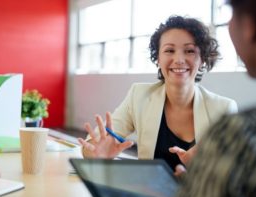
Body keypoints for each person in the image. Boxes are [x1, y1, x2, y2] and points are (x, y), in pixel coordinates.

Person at [78, 16, 238, 171]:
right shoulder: (139, 95)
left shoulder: (224, 108)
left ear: (202, 58)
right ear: (158, 58)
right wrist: (94, 154)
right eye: (169, 50)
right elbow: (93, 145)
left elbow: (234, 174)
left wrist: (201, 171)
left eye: (189, 51)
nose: (179, 59)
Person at [176, 0, 256, 197]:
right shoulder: (139, 93)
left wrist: (196, 184)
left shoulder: (238, 133)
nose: (179, 60)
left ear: (249, 25)